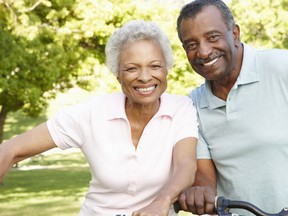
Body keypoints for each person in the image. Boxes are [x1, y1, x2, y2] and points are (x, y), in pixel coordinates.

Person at [0, 20, 198, 216]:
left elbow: (186, 166)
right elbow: (11, 149)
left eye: (155, 66)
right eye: (131, 68)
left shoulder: (181, 108)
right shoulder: (91, 113)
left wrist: (162, 202)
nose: (145, 77)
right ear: (117, 75)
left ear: (166, 69)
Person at [176, 0, 288, 215]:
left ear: (235, 34)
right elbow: (205, 177)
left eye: (212, 37)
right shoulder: (192, 106)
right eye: (191, 44)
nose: (204, 51)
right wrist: (201, 194)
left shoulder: (281, 68)